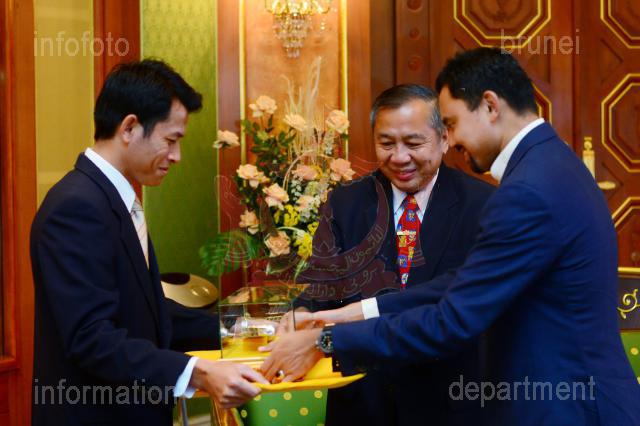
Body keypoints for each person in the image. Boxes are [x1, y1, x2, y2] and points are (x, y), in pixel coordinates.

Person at [261, 48, 640, 425]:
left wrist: (327, 340)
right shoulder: (551, 163)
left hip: (566, 407)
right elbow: (461, 283)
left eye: (453, 123)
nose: (453, 139)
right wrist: (348, 314)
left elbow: (453, 319)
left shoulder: (525, 190)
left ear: (490, 106)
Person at [30, 59, 266, 426]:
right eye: (171, 140)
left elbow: (149, 314)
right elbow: (91, 338)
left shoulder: (113, 198)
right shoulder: (76, 206)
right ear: (129, 127)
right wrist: (198, 372)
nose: (176, 156)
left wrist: (247, 328)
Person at [287, 84, 494, 425]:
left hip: (449, 398)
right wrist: (302, 311)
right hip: (362, 399)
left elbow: (463, 301)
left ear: (444, 138)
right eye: (386, 144)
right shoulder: (347, 201)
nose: (399, 157)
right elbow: (325, 281)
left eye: (413, 144)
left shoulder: (484, 205)